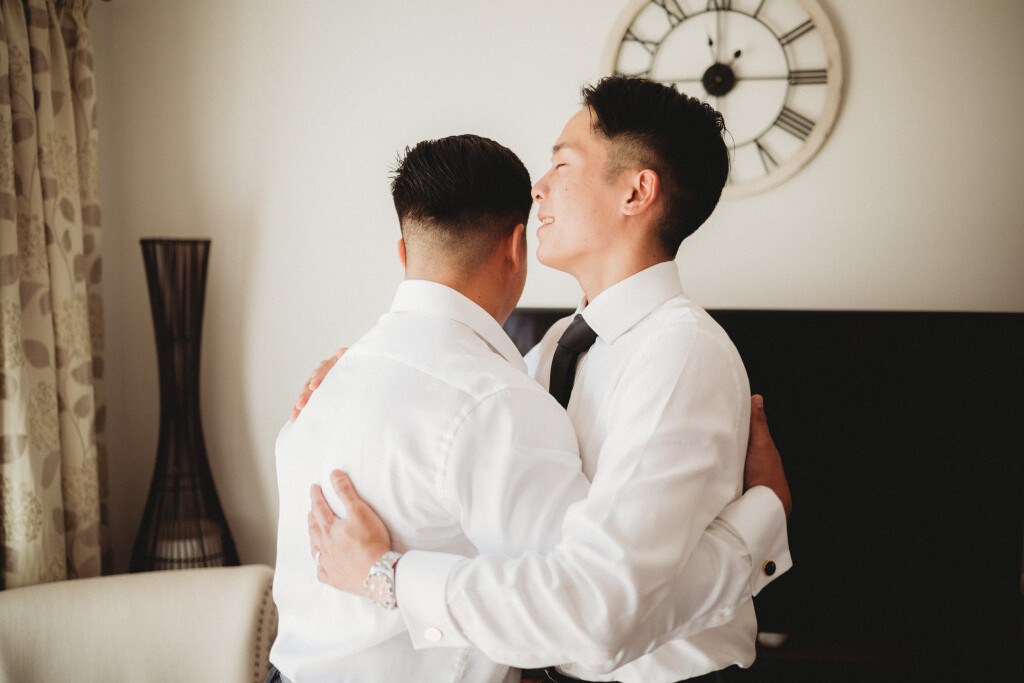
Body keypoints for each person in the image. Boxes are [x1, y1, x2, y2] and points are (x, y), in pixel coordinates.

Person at [302, 77, 791, 683]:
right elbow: (466, 416)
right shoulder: (562, 343)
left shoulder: (680, 354)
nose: (537, 188)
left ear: (636, 192)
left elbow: (596, 611)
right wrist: (362, 374)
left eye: (562, 164)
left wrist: (386, 577)